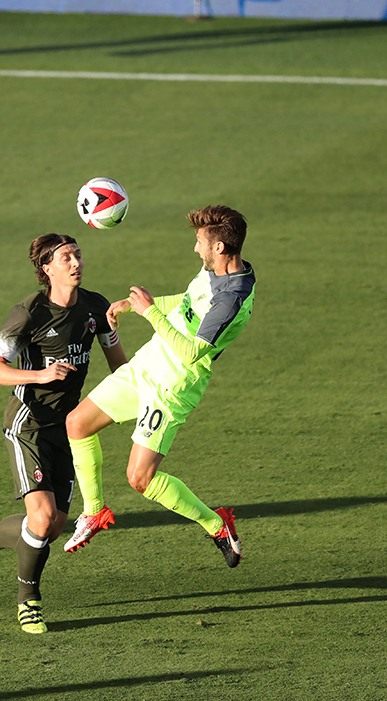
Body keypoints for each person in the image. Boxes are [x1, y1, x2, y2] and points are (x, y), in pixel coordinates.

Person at [0, 234, 127, 634]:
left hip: (69, 426)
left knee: (52, 525)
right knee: (42, 519)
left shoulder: (96, 307)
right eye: (66, 257)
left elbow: (120, 366)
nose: (76, 262)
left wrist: (120, 344)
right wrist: (40, 374)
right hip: (28, 422)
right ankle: (28, 601)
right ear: (47, 268)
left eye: (77, 254)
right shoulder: (28, 313)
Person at [64, 205, 256, 567]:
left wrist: (149, 312)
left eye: (200, 242)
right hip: (147, 364)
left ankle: (216, 524)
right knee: (77, 423)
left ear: (219, 248)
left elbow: (191, 352)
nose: (195, 249)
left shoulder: (232, 299)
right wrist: (133, 306)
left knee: (140, 478)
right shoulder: (213, 269)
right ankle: (93, 511)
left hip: (173, 385)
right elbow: (185, 305)